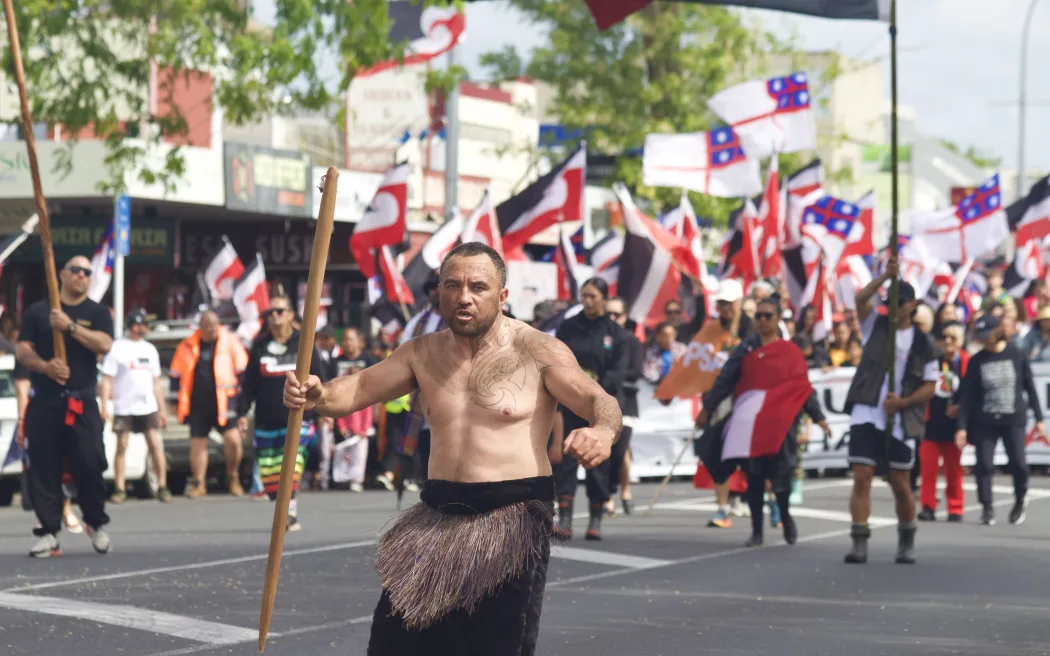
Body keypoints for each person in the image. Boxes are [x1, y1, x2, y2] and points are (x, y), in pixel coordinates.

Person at [284, 242, 621, 656]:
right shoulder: (422, 352)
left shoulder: (536, 349)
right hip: (438, 514)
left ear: (502, 296)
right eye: (453, 285)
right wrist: (317, 394)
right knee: (393, 643)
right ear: (439, 292)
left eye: (478, 287)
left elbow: (597, 400)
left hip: (512, 515)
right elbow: (357, 389)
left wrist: (602, 431)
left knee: (496, 646)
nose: (464, 297)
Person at [697, 297, 830, 547]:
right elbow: (726, 378)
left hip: (781, 424)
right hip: (750, 422)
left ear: (778, 318)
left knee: (782, 475)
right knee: (754, 475)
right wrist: (708, 407)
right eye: (758, 316)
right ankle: (756, 530)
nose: (762, 321)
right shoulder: (747, 349)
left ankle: (785, 516)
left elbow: (802, 387)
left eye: (768, 316)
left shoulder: (790, 352)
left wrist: (818, 417)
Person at [842, 258, 939, 565]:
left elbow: (930, 384)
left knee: (900, 482)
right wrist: (886, 275)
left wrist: (905, 402)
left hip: (900, 419)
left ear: (912, 305)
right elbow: (860, 299)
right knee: (863, 475)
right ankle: (859, 539)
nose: (893, 308)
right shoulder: (876, 325)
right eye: (889, 303)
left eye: (899, 303)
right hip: (867, 410)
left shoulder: (924, 342)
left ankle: (906, 537)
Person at [16, 255, 114, 557]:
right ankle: (48, 532)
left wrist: (70, 326)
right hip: (45, 400)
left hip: (81, 400)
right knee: (44, 467)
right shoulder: (38, 311)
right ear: (62, 274)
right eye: (76, 270)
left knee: (89, 462)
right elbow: (22, 350)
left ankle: (95, 523)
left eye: (87, 272)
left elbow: (105, 344)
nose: (82, 276)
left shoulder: (95, 312)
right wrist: (44, 367)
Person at [237, 295, 327, 532]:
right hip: (266, 421)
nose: (275, 316)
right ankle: (284, 510)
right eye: (271, 312)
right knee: (270, 475)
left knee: (292, 468)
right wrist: (242, 412)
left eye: (280, 311)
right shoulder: (260, 345)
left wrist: (323, 409)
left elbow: (319, 378)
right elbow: (249, 383)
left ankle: (290, 513)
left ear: (290, 314)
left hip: (298, 418)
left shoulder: (304, 343)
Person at [553, 277, 628, 541]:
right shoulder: (569, 328)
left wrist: (596, 390)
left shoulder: (616, 334)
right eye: (584, 295)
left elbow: (619, 373)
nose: (588, 301)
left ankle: (596, 518)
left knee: (596, 462)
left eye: (593, 296)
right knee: (566, 460)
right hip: (570, 402)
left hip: (601, 409)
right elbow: (558, 363)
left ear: (604, 299)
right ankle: (564, 519)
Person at [955, 314, 1045, 526]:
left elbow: (1029, 388)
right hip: (984, 420)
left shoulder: (1017, 354)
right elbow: (967, 396)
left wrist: (1039, 419)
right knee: (984, 464)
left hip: (1013, 418)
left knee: (1019, 464)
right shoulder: (977, 361)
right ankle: (987, 507)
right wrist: (962, 427)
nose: (985, 339)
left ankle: (1020, 499)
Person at [169, 311, 248, 498]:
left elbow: (243, 372)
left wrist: (242, 402)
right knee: (198, 443)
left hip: (225, 403)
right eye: (208, 326)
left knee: (234, 441)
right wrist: (174, 401)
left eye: (215, 325)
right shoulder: (187, 345)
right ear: (201, 327)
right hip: (198, 404)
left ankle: (232, 476)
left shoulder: (230, 342)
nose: (213, 330)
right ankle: (198, 483)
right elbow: (175, 375)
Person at [99, 309, 172, 504]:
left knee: (155, 445)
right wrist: (105, 405)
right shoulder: (118, 348)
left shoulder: (149, 349)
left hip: (147, 405)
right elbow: (107, 380)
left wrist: (162, 409)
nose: (145, 328)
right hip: (125, 406)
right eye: (142, 324)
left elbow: (156, 383)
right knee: (122, 445)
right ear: (133, 325)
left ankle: (163, 485)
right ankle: (120, 487)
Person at [917, 321, 968, 523]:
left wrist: (961, 409)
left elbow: (971, 392)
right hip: (931, 423)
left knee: (953, 469)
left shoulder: (965, 362)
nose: (947, 342)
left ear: (959, 342)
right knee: (928, 469)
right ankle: (928, 506)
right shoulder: (932, 362)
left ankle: (956, 507)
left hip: (954, 426)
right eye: (943, 337)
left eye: (952, 338)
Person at [604, 297, 644, 516]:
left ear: (625, 317)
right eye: (608, 314)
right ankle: (608, 496)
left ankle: (624, 490)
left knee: (620, 451)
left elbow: (636, 371)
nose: (611, 319)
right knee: (608, 450)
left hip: (626, 403)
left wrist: (611, 377)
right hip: (603, 402)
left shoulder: (631, 341)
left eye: (616, 315)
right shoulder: (601, 338)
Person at [333, 327, 377, 492]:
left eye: (351, 339)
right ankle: (340, 478)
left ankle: (357, 479)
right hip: (343, 412)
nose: (348, 343)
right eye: (344, 339)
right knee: (343, 451)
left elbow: (377, 385)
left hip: (363, 413)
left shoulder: (369, 360)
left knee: (360, 451)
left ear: (359, 342)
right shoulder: (335, 362)